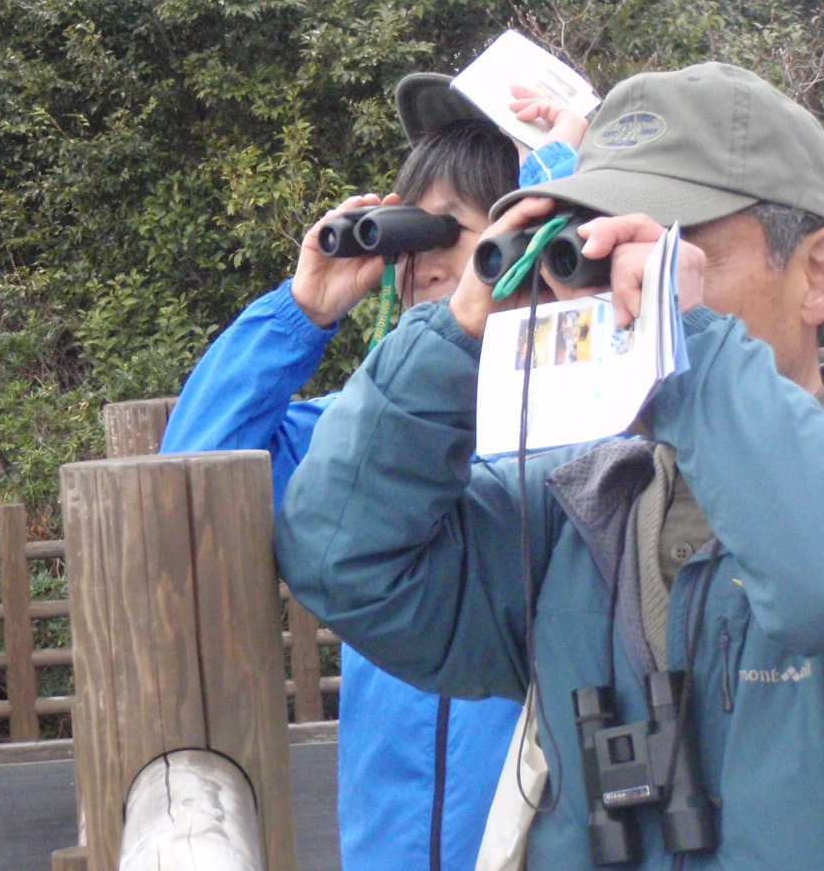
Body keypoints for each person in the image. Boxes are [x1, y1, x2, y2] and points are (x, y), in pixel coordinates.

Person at [277, 62, 824, 870]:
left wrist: (690, 352)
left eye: (668, 245)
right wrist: (460, 333)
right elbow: (341, 560)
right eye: (591, 246)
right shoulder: (571, 511)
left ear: (817, 275)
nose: (618, 279)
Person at [160, 73, 587, 871]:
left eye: (447, 230)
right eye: (407, 229)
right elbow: (190, 474)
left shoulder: (594, 434)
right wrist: (303, 308)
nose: (418, 256)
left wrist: (560, 206)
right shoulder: (357, 445)